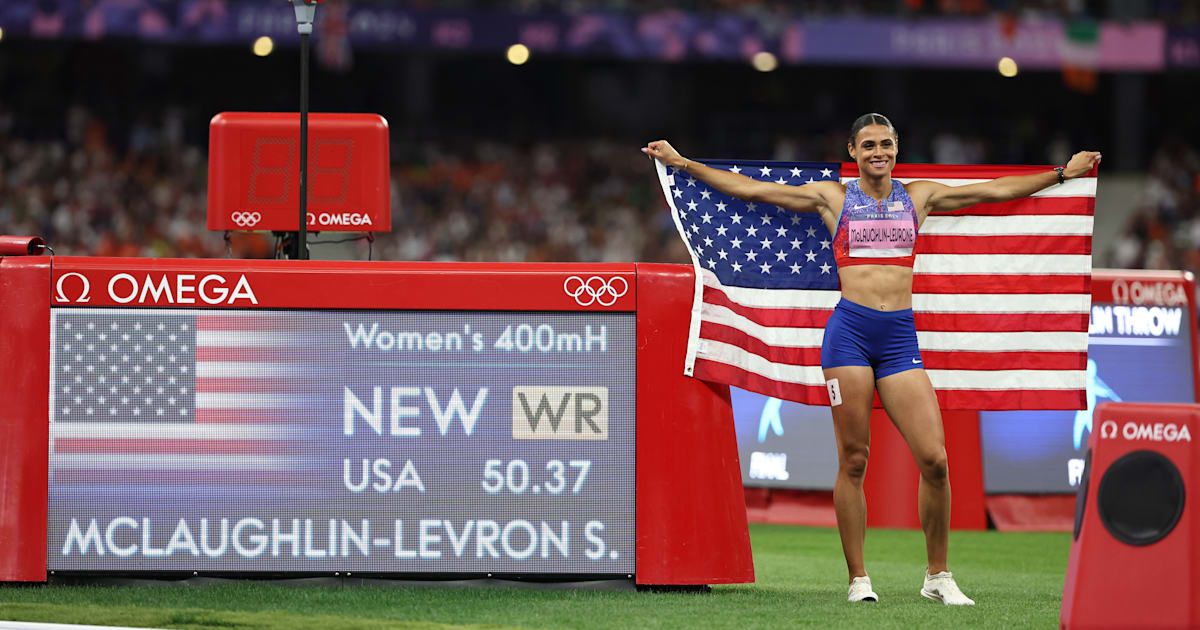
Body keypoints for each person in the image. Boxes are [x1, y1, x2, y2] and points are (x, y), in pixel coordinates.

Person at [643, 113, 1101, 606]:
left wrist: (1061, 174)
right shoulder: (832, 197)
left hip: (900, 339)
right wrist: (683, 162)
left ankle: (938, 575)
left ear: (896, 148)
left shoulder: (919, 196)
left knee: (936, 460)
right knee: (855, 459)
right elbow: (751, 190)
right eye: (868, 145)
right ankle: (859, 578)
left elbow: (994, 191)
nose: (877, 151)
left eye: (885, 143)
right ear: (854, 151)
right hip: (850, 338)